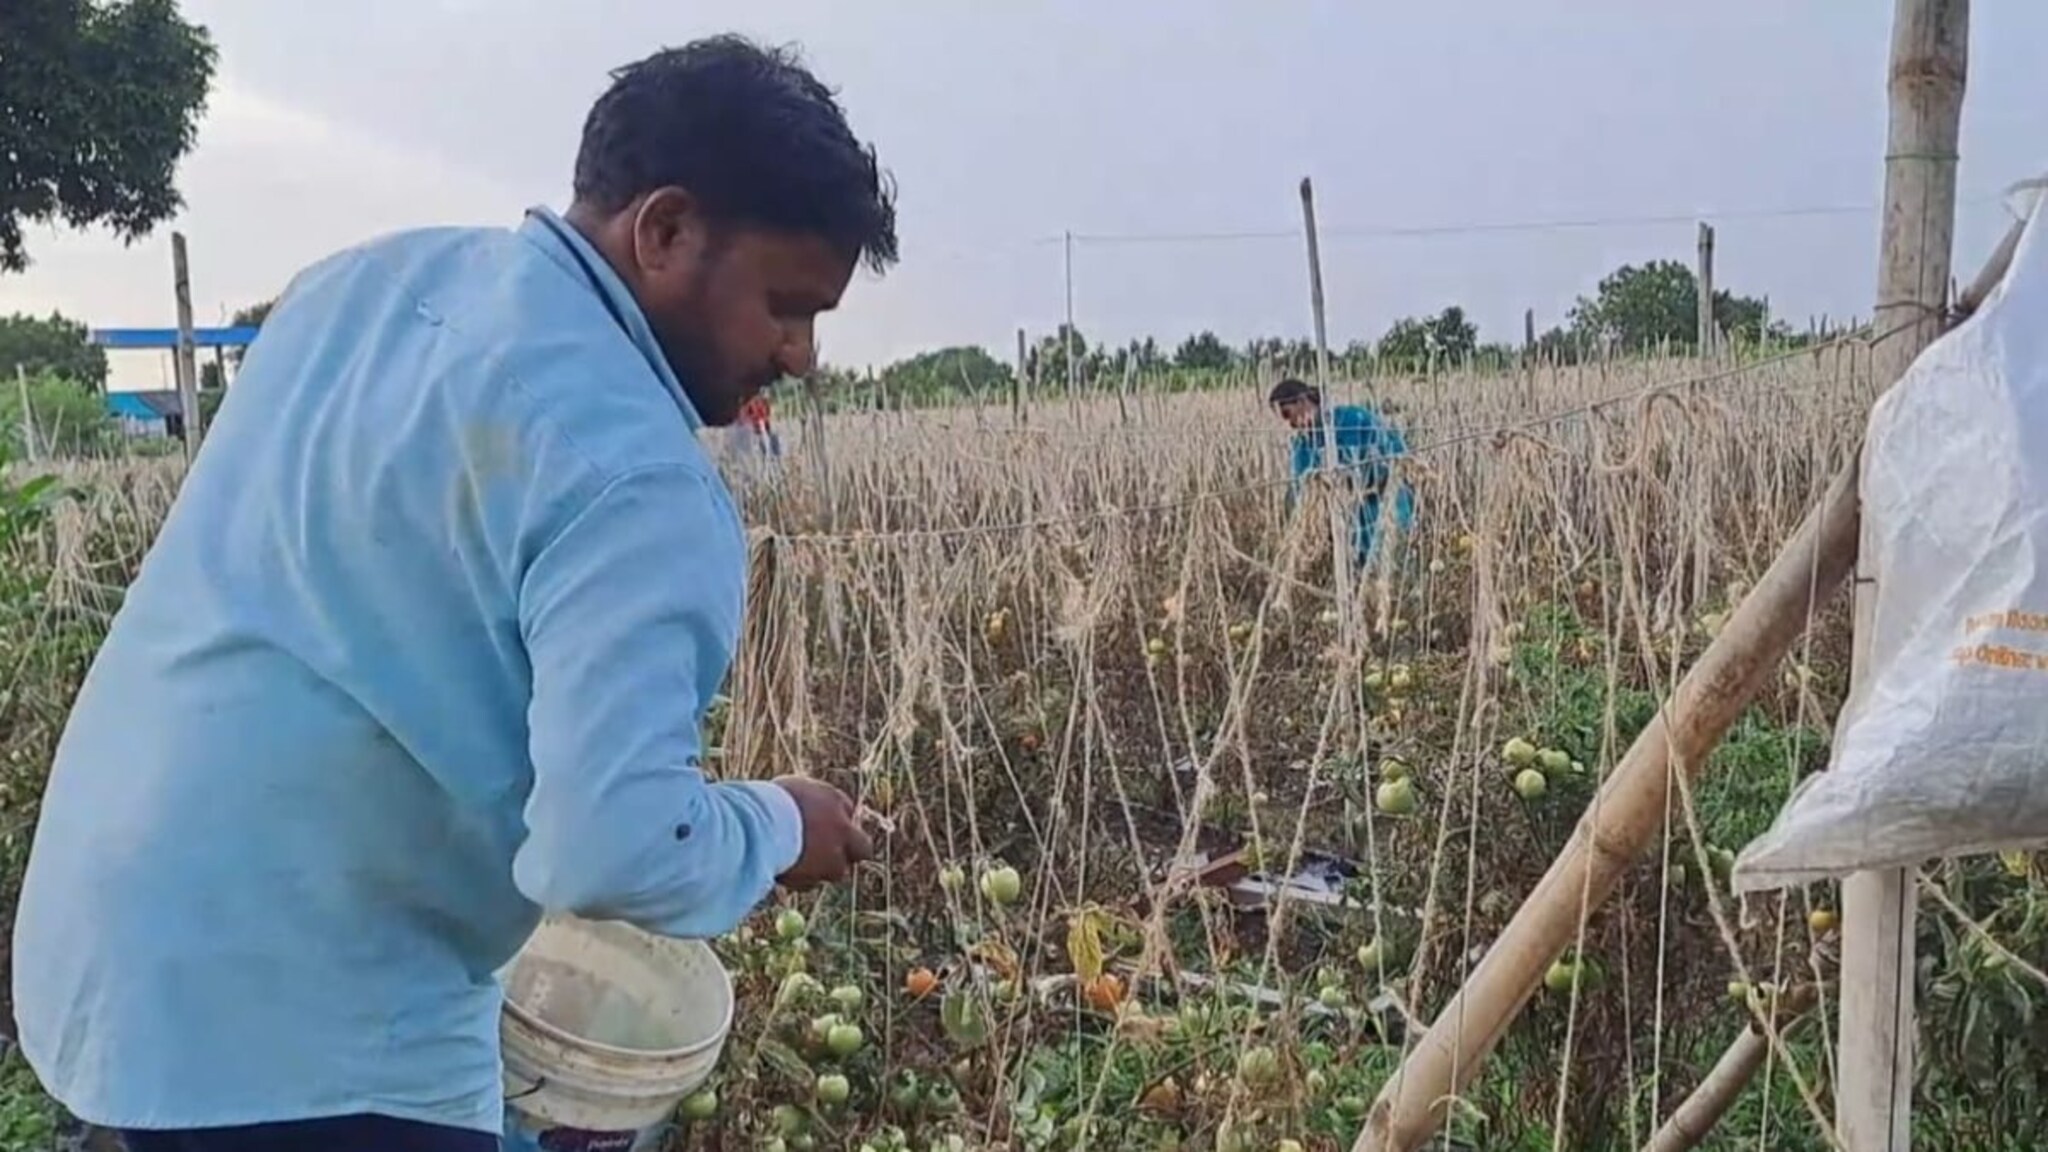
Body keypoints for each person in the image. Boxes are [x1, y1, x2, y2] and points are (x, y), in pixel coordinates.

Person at [12, 36, 895, 1152]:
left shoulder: (363, 285)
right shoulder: (640, 479)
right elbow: (612, 846)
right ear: (664, 231)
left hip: (104, 959)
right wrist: (776, 825)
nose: (801, 352)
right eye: (785, 303)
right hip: (316, 1042)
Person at [1270, 377, 1416, 568]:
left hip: (1387, 501)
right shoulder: (1303, 446)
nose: (1290, 424)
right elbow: (1300, 492)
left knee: (1394, 567)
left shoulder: (1353, 419)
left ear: (1302, 401)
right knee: (1361, 575)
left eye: (1288, 414)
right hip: (1351, 521)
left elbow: (1394, 457)